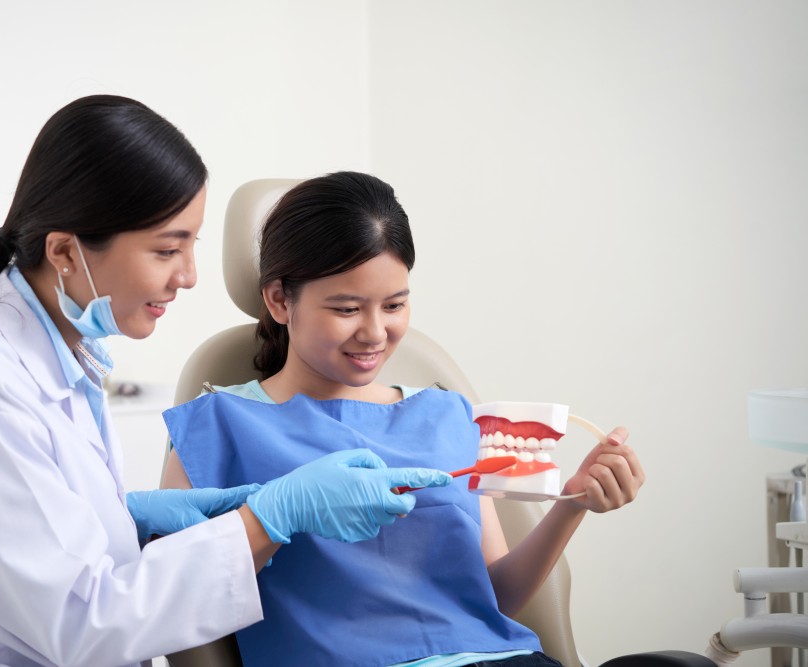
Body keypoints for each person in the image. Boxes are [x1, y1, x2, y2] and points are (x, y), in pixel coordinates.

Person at [0, 98, 451, 667]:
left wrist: (127, 515)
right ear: (67, 253)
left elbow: (43, 527)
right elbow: (82, 627)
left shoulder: (58, 353)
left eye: (191, 246)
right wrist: (268, 517)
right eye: (167, 249)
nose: (189, 276)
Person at [161, 171, 646, 667]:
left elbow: (494, 599)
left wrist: (573, 503)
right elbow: (173, 597)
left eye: (394, 305)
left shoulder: (446, 413)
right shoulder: (215, 428)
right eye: (347, 308)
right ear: (280, 299)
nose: (375, 332)